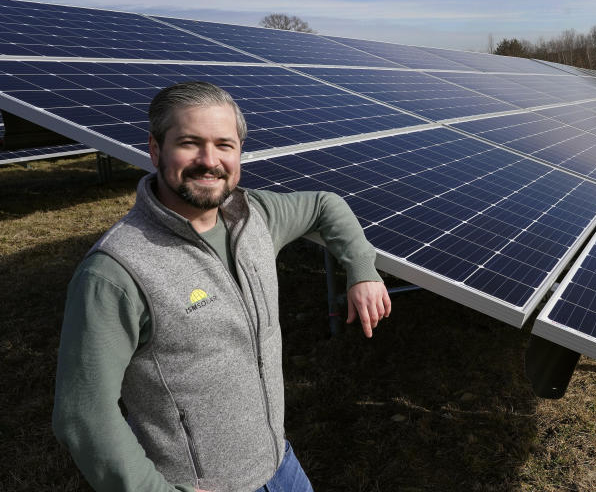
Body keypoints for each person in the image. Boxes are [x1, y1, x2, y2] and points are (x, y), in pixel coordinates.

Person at [52, 81, 391, 492]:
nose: (209, 160)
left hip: (280, 465)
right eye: (190, 143)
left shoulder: (256, 215)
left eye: (224, 145)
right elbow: (84, 414)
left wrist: (362, 269)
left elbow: (325, 204)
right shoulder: (115, 273)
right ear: (155, 149)